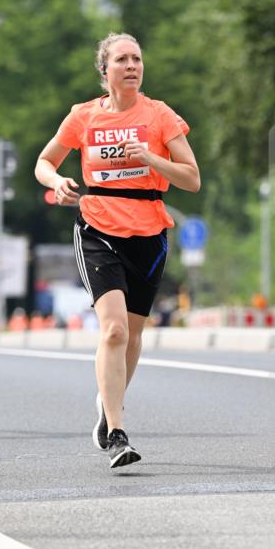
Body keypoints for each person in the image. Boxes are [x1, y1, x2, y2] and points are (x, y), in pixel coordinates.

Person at [35, 32, 200, 469]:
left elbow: (191, 178)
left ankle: (106, 408)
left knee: (133, 335)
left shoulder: (160, 115)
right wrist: (58, 183)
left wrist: (151, 159)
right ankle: (117, 432)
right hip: (97, 227)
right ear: (104, 70)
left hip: (148, 232)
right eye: (122, 60)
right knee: (113, 332)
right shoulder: (83, 116)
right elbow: (44, 162)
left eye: (137, 59)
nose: (132, 66)